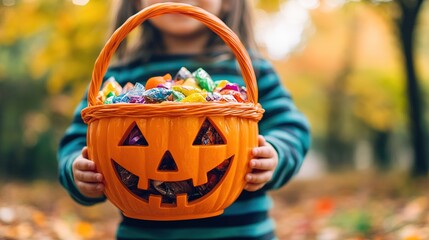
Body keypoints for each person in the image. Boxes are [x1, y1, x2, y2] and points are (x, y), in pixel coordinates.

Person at [58, 0, 311, 239]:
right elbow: (77, 141)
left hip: (242, 234)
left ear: (229, 1)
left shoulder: (252, 71)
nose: (170, 161)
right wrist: (78, 172)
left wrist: (274, 154)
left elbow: (291, 127)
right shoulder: (116, 79)